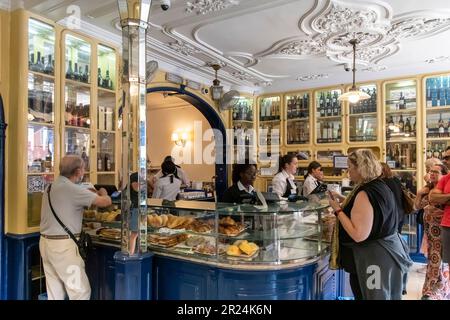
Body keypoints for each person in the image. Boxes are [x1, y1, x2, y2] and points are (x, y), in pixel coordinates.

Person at [328, 149, 412, 300]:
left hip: (374, 259)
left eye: (350, 167)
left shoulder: (364, 193)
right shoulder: (381, 185)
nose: (348, 172)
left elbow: (358, 234)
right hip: (386, 253)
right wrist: (342, 200)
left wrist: (337, 210)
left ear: (360, 168)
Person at [39, 155, 112, 300]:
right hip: (64, 248)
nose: (84, 173)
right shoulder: (73, 190)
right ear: (78, 171)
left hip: (45, 243)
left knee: (55, 294)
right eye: (84, 170)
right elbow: (105, 202)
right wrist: (104, 192)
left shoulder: (50, 187)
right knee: (80, 293)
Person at [415, 164, 450, 300]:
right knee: (432, 262)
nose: (432, 174)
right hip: (429, 234)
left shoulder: (442, 190)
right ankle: (431, 291)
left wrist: (437, 211)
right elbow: (416, 206)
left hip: (442, 232)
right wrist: (419, 194)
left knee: (440, 263)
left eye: (436, 171)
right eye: (431, 171)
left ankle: (434, 293)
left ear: (444, 175)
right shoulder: (428, 189)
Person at [429, 163, 450, 298]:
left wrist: (445, 196)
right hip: (447, 224)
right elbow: (433, 197)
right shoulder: (446, 178)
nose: (447, 160)